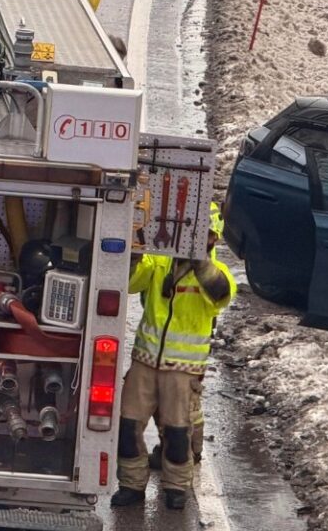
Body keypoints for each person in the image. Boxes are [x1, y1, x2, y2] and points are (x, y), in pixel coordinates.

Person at [113, 202, 236, 512]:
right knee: (127, 427)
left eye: (206, 234)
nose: (199, 239)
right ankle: (131, 485)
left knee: (178, 433)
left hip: (183, 370)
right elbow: (130, 282)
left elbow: (221, 295)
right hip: (145, 361)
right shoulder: (159, 262)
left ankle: (176, 488)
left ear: (214, 238)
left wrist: (199, 263)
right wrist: (134, 254)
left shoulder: (215, 273)